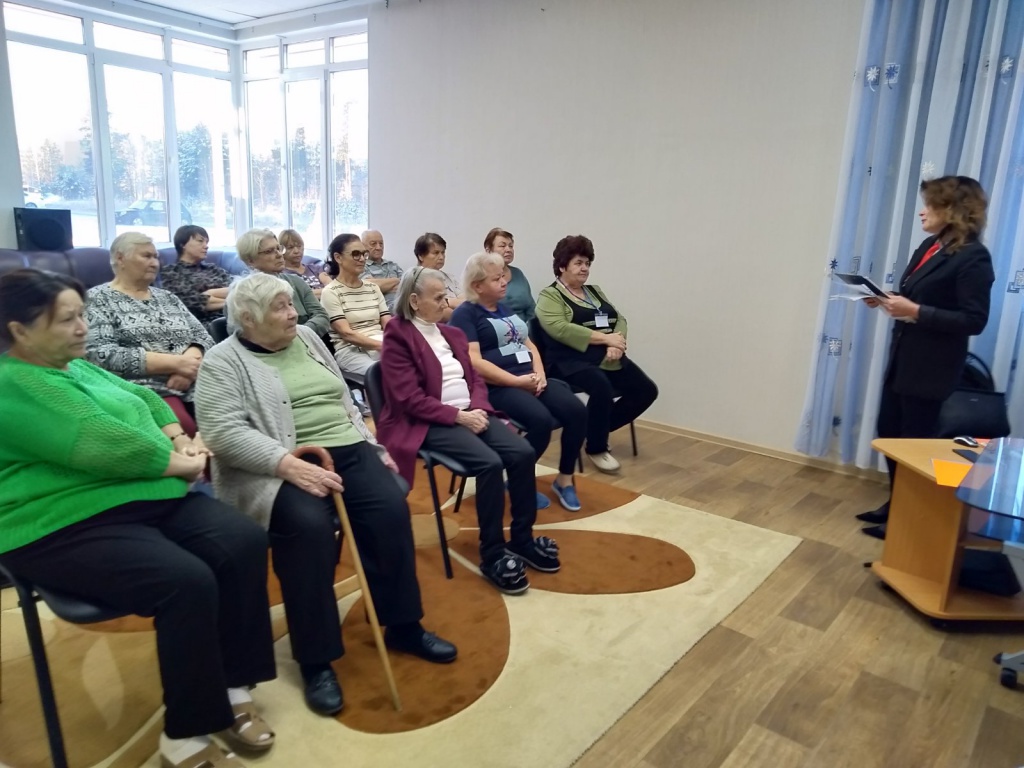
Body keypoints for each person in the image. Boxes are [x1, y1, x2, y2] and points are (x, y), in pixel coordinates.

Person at [0, 269, 277, 768]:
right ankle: (186, 735)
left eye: (82, 315)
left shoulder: (73, 365)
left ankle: (233, 687)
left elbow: (145, 396)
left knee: (243, 542)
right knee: (185, 582)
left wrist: (179, 437)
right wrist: (182, 464)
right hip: (60, 520)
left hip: (143, 493)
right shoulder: (11, 383)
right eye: (67, 320)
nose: (83, 328)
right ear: (19, 330)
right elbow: (99, 441)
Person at [195, 272, 457, 717]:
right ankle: (316, 658)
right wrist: (285, 463)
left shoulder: (307, 338)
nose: (292, 313)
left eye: (291, 304)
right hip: (278, 462)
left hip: (347, 448)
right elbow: (222, 433)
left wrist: (374, 447)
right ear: (247, 319)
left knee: (390, 512)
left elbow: (344, 403)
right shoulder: (223, 362)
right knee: (308, 529)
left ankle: (403, 626)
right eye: (280, 307)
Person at [376, 267, 560, 595]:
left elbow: (475, 380)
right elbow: (408, 399)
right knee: (489, 464)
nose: (446, 303)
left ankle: (521, 539)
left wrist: (477, 409)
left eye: (445, 296)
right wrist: (459, 417)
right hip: (428, 421)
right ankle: (492, 554)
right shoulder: (397, 336)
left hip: (471, 413)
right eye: (438, 298)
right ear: (414, 301)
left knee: (522, 453)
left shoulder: (451, 334)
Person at [857, 175, 995, 539]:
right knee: (890, 433)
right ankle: (897, 503)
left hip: (932, 368)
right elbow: (918, 296)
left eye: (930, 205)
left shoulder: (974, 256)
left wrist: (916, 311)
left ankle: (909, 520)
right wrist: (887, 298)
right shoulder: (930, 247)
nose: (922, 211)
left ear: (953, 210)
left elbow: (974, 320)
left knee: (915, 443)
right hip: (904, 359)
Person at [451, 252, 585, 512]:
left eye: (503, 276)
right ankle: (518, 478)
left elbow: (529, 344)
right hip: (497, 386)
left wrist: (540, 374)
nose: (504, 282)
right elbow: (474, 362)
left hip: (529, 378)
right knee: (540, 421)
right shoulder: (465, 314)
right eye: (496, 279)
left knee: (577, 412)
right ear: (477, 285)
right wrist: (516, 381)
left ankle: (564, 479)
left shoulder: (504, 308)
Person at [535, 235, 659, 474]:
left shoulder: (595, 291)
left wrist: (617, 343)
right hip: (568, 361)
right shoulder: (549, 295)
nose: (584, 268)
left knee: (646, 390)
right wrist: (606, 339)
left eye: (587, 263)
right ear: (562, 266)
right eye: (578, 263)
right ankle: (596, 447)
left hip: (607, 356)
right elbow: (559, 328)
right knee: (601, 387)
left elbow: (619, 318)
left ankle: (592, 431)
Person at [85, 232, 214, 419]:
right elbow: (100, 355)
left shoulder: (168, 297)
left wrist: (188, 370)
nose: (155, 263)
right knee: (191, 427)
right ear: (120, 258)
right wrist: (177, 364)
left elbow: (204, 338)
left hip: (198, 381)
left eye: (156, 257)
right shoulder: (97, 299)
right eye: (146, 256)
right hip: (146, 391)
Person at [320, 233, 391, 380]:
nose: (362, 259)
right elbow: (347, 334)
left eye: (364, 254)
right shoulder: (331, 292)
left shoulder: (373, 288)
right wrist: (383, 346)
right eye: (356, 254)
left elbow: (388, 323)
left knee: (416, 363)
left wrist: (397, 342)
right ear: (338, 257)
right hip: (350, 350)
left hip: (380, 342)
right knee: (385, 374)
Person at [236, 228, 330, 338]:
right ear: (250, 260)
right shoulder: (244, 293)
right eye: (269, 251)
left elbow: (322, 316)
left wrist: (297, 335)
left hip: (307, 341)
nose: (279, 255)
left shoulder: (296, 281)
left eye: (278, 248)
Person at [160, 224, 233, 327]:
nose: (206, 246)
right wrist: (234, 302)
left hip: (234, 317)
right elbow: (194, 302)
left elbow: (239, 289)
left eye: (207, 242)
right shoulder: (171, 272)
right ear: (182, 244)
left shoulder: (213, 269)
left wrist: (210, 293)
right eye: (200, 241)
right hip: (204, 324)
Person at [484, 228, 536, 324]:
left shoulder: (518, 273)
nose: (508, 249)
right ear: (489, 250)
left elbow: (531, 308)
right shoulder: (482, 276)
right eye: (502, 246)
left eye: (511, 246)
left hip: (525, 329)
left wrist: (532, 328)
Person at [414, 232, 462, 321]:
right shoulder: (416, 280)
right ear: (421, 256)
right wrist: (461, 311)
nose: (441, 257)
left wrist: (448, 302)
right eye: (436, 253)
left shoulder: (450, 277)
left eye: (443, 252)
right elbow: (438, 311)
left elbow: (467, 301)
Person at [360, 229, 403, 312]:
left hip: (402, 306)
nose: (378, 247)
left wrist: (383, 287)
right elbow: (370, 287)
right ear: (363, 246)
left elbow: (407, 285)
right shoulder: (361, 266)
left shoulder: (393, 265)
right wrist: (396, 280)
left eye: (381, 244)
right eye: (373, 244)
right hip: (380, 311)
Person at [280, 229, 330, 299]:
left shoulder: (316, 268)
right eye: (290, 247)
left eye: (299, 246)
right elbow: (296, 296)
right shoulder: (282, 275)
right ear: (281, 250)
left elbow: (333, 288)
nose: (296, 251)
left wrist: (307, 294)